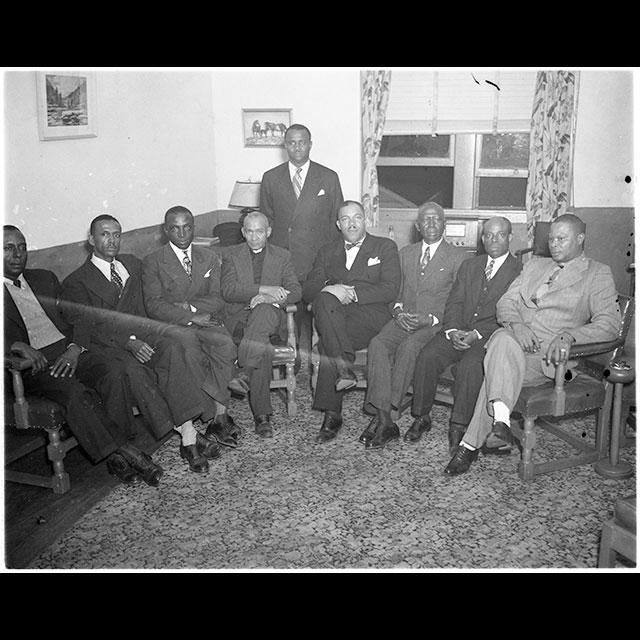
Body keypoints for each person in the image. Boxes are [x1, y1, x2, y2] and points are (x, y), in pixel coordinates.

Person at [444, 213, 622, 476]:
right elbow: (505, 303)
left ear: (581, 239)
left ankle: (471, 444)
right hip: (515, 343)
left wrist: (570, 336)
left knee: (496, 363)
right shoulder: (534, 266)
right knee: (503, 340)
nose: (554, 244)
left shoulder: (597, 273)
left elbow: (609, 324)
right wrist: (517, 326)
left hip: (550, 358)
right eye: (551, 238)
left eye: (562, 238)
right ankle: (499, 424)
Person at [60, 215, 222, 476]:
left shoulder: (132, 264)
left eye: (116, 234)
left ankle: (188, 429)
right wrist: (129, 342)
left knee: (172, 346)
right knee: (132, 370)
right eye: (104, 234)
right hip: (110, 345)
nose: (112, 240)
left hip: (144, 333)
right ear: (91, 239)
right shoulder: (76, 282)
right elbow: (88, 326)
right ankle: (188, 436)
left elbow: (151, 300)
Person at [3, 225, 157, 486]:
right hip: (32, 366)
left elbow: (79, 317)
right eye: (8, 248)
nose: (17, 254)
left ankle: (117, 456)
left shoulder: (44, 278)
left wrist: (75, 348)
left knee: (113, 371)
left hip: (67, 351)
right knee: (74, 392)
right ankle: (127, 453)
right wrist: (15, 344)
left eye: (22, 247)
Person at [409, 216, 521, 457]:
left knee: (472, 365)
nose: (493, 240)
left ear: (510, 238)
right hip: (458, 330)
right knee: (428, 355)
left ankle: (459, 427)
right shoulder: (471, 265)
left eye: (500, 235)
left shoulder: (519, 271)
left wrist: (476, 334)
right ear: (482, 238)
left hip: (488, 336)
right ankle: (421, 416)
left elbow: (512, 315)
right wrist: (452, 330)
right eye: (488, 235)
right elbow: (454, 302)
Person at [361, 202, 468, 449]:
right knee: (377, 343)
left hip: (434, 324)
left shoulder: (458, 258)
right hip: (404, 319)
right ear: (418, 226)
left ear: (444, 225)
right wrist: (398, 311)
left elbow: (458, 302)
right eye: (426, 220)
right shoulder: (405, 253)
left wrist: (430, 318)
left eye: (436, 219)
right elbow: (393, 292)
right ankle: (385, 418)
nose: (431, 224)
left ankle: (386, 415)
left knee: (409, 348)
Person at [142, 206, 244, 458]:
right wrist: (188, 316)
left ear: (193, 227)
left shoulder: (208, 257)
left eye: (187, 226)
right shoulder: (153, 261)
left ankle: (220, 418)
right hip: (174, 325)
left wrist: (192, 307)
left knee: (225, 345)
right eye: (175, 228)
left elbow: (218, 297)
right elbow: (154, 304)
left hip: (206, 319)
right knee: (189, 350)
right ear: (166, 231)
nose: (182, 233)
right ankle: (209, 411)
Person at [303, 200, 401, 444]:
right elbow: (309, 288)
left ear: (365, 219)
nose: (352, 223)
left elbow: (390, 289)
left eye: (357, 217)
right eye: (345, 219)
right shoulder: (327, 251)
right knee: (324, 300)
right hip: (338, 318)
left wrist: (354, 293)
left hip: (371, 318)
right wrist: (332, 287)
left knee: (328, 341)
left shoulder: (385, 247)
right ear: (338, 225)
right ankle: (343, 370)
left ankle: (332, 413)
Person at [259, 124, 344, 347]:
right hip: (285, 260)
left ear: (310, 144)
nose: (297, 147)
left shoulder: (328, 177)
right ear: (285, 145)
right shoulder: (270, 178)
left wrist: (333, 264)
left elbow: (337, 223)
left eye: (302, 142)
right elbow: (267, 221)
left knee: (320, 318)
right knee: (289, 321)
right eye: (292, 142)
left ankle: (322, 362)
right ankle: (293, 361)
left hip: (317, 261)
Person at [220, 212, 301, 437]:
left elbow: (296, 290)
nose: (254, 237)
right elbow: (228, 290)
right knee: (260, 347)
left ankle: (245, 371)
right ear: (243, 232)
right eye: (249, 231)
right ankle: (262, 416)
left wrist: (268, 299)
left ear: (268, 232)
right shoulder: (231, 255)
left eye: (259, 231)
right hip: (240, 320)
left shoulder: (282, 256)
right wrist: (264, 290)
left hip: (270, 319)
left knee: (264, 311)